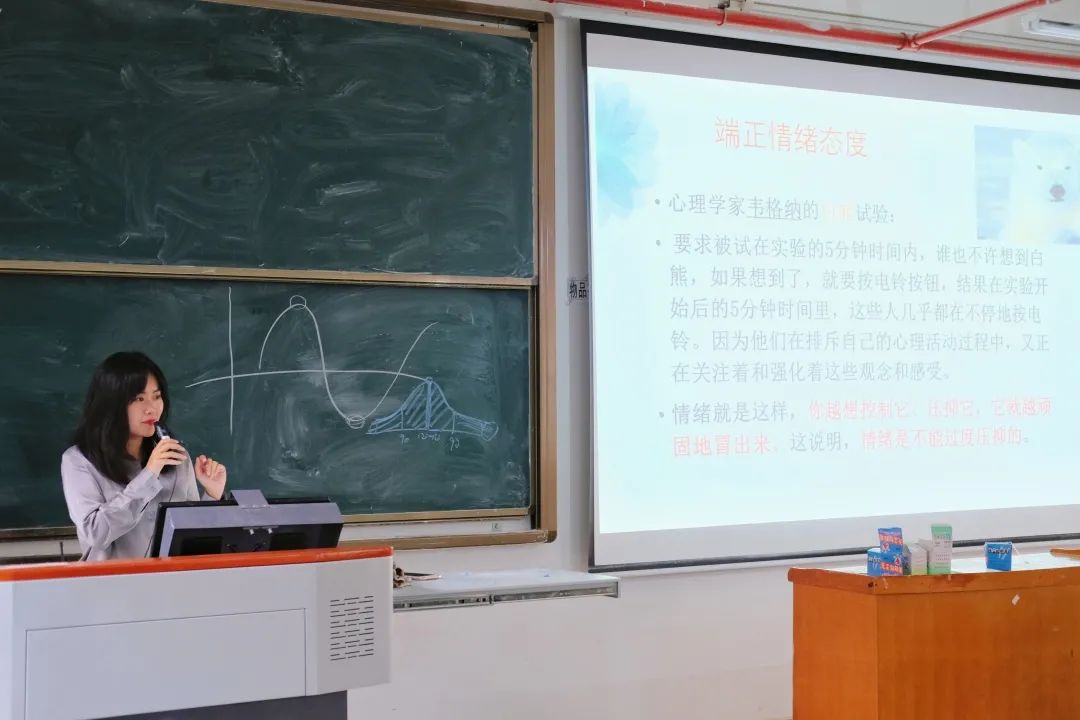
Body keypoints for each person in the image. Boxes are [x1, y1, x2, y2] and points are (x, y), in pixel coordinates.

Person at [61, 352, 228, 561]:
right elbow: (96, 533)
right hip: (112, 580)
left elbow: (192, 537)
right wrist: (149, 474)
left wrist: (212, 494)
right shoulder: (79, 460)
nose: (152, 408)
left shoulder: (175, 456)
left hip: (171, 579)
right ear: (111, 404)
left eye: (156, 396)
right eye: (139, 398)